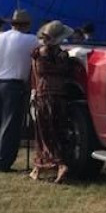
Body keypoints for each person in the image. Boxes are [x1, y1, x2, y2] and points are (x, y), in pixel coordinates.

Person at [0, 10, 39, 173]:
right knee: (10, 126)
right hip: (13, 86)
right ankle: (2, 163)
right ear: (26, 25)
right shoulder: (32, 40)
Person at [30, 21, 79, 183]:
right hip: (60, 95)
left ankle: (56, 165)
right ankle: (46, 167)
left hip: (44, 95)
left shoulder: (38, 54)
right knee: (58, 132)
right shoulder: (63, 56)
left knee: (44, 134)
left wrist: (33, 92)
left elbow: (35, 75)